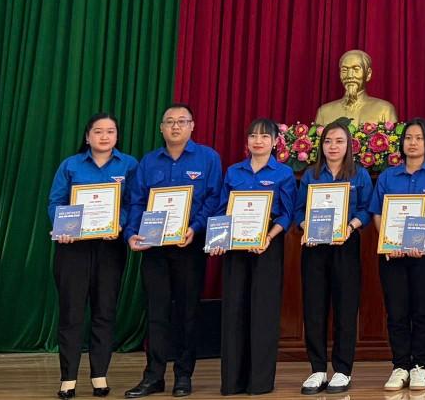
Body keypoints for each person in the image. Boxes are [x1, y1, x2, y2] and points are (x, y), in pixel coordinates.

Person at [123, 105, 222, 399]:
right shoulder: (149, 161)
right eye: (170, 122)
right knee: (156, 312)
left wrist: (195, 226)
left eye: (182, 121)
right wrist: (131, 233)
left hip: (189, 246)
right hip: (154, 247)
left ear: (192, 126)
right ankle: (153, 376)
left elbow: (214, 198)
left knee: (187, 312)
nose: (175, 127)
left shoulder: (208, 158)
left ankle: (183, 375)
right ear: (161, 128)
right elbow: (137, 201)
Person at [47, 113, 138, 400]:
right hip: (73, 248)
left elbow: (133, 202)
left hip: (109, 248)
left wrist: (119, 223)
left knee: (104, 311)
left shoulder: (129, 165)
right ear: (87, 137)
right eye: (98, 131)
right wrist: (64, 227)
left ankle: (99, 375)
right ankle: (68, 378)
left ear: (117, 136)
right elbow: (55, 202)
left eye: (110, 131)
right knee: (72, 313)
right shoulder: (70, 165)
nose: (104, 136)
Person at [210, 118, 296, 396]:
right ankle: (232, 381)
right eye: (253, 136)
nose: (258, 141)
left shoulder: (283, 173)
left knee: (263, 312)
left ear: (275, 142)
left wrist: (268, 237)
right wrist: (219, 240)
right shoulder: (233, 171)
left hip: (267, 248)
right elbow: (222, 209)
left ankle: (259, 382)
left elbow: (287, 214)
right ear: (246, 141)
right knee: (234, 310)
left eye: (264, 136)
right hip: (235, 249)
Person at [373, 118, 425, 391]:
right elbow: (377, 214)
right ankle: (400, 366)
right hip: (392, 255)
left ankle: (419, 365)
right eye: (408, 137)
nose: (413, 142)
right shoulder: (388, 177)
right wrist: (389, 241)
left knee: (422, 310)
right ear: (402, 142)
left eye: (419, 138)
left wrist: (423, 241)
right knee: (396, 311)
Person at [295, 121, 372, 394]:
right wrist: (306, 226)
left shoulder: (360, 175)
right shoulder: (311, 175)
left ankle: (342, 370)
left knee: (345, 308)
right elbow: (298, 210)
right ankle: (317, 369)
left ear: (348, 145)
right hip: (314, 247)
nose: (333, 146)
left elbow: (367, 209)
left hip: (345, 245)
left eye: (339, 141)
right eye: (328, 141)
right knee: (314, 308)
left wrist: (350, 226)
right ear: (321, 145)